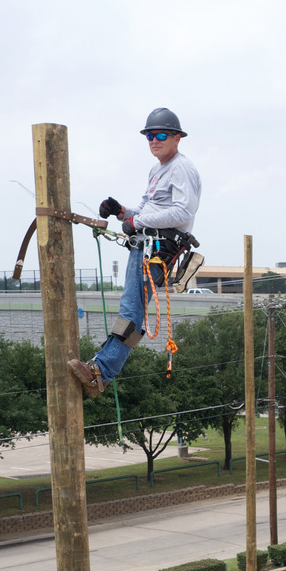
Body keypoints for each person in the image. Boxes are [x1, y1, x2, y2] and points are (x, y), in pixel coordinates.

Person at [68, 107, 201, 397]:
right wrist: (121, 212)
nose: (155, 140)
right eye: (150, 136)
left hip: (158, 248)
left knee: (132, 311)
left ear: (177, 138)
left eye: (162, 135)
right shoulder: (158, 169)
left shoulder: (182, 168)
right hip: (142, 245)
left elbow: (182, 211)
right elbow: (145, 210)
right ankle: (101, 369)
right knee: (130, 309)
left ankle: (101, 372)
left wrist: (136, 222)